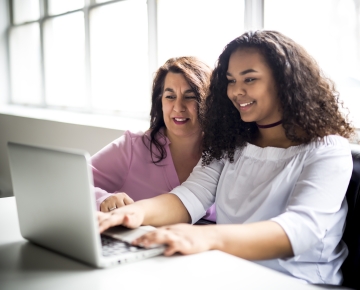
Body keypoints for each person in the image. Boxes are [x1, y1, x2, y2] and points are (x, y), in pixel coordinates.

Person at [97, 31, 354, 284]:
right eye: (231, 81)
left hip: (300, 281)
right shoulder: (231, 142)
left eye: (249, 79)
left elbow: (300, 229)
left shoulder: (328, 150)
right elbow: (190, 196)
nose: (236, 91)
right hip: (232, 272)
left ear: (284, 81)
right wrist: (132, 213)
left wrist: (209, 238)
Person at [91, 56, 216, 222]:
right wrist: (102, 199)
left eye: (190, 96)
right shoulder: (132, 147)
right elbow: (71, 182)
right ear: (160, 102)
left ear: (209, 101)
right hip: (141, 244)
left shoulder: (225, 155)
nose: (178, 107)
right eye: (170, 96)